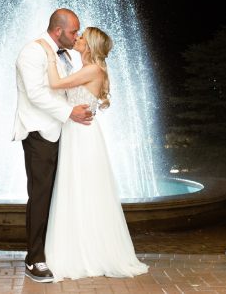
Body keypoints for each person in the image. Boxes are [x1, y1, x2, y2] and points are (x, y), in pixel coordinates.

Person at [37, 27, 149, 281]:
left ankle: (85, 253)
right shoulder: (88, 69)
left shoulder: (93, 70)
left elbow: (55, 84)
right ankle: (82, 247)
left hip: (82, 135)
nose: (76, 38)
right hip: (77, 132)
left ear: (89, 46)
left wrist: (50, 54)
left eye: (81, 37)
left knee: (81, 187)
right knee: (78, 188)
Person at [13, 8, 93, 283]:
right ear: (58, 31)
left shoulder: (67, 55)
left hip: (65, 133)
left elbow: (67, 88)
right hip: (40, 134)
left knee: (62, 195)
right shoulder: (32, 52)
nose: (77, 36)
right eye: (73, 31)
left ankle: (56, 253)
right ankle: (34, 259)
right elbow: (35, 94)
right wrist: (70, 113)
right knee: (41, 196)